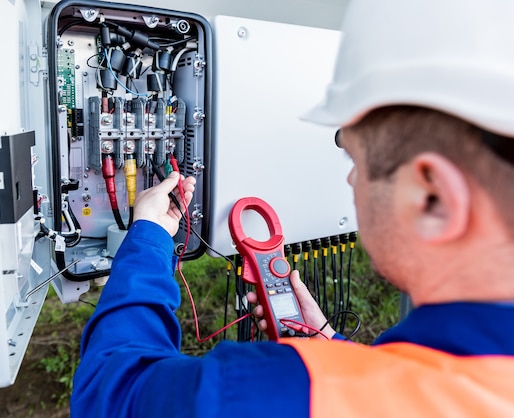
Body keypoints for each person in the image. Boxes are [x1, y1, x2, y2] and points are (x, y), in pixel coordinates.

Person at [71, 0, 514, 416]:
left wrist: (147, 235)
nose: (349, 181)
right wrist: (330, 346)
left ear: (432, 197)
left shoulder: (281, 392)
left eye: (355, 161)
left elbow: (112, 393)